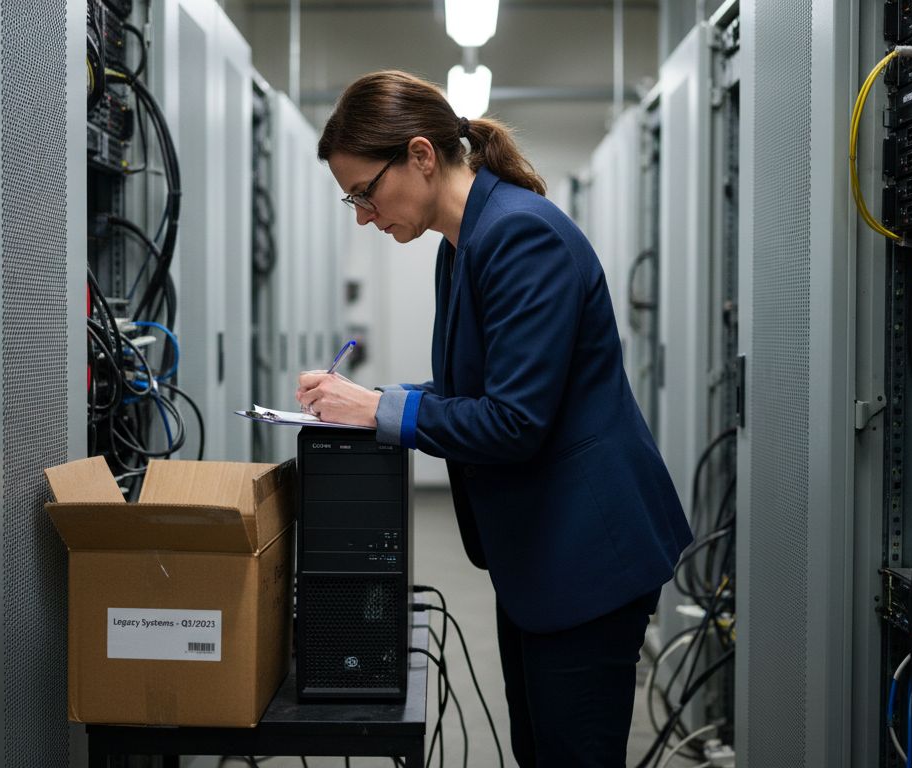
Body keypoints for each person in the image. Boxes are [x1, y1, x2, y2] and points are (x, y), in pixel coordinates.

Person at [296, 70, 691, 767]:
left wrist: (383, 410)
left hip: (587, 557)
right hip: (540, 556)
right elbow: (470, 386)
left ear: (421, 155)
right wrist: (368, 403)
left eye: (365, 192)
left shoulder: (519, 236)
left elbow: (514, 420)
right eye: (351, 198)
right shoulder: (465, 244)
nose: (362, 213)